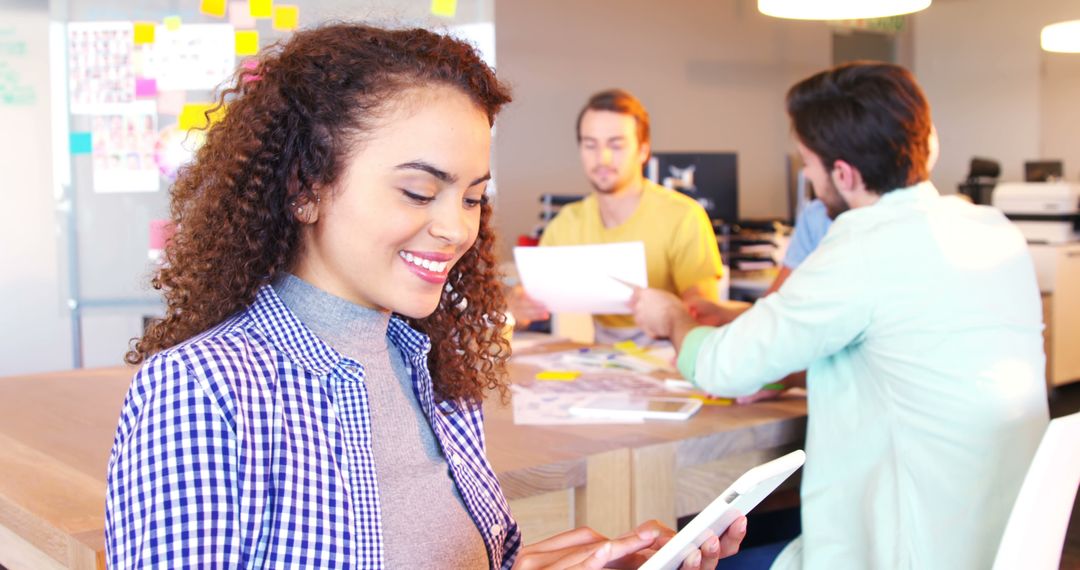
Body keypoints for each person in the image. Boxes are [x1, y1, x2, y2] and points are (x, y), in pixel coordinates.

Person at [104, 24, 745, 570]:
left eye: (472, 198)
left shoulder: (432, 370)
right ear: (305, 187)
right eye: (418, 192)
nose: (458, 229)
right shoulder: (199, 392)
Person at [630, 62, 1049, 569]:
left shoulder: (862, 244)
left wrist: (673, 316)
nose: (807, 176)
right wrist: (791, 376)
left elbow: (721, 366)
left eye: (808, 164)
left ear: (844, 173)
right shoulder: (993, 229)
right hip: (997, 542)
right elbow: (913, 354)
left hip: (904, 550)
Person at [511, 89, 723, 345]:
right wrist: (518, 306)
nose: (603, 158)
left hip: (671, 349)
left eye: (616, 145)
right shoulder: (567, 222)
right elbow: (526, 302)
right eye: (591, 145)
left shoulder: (683, 215)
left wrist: (674, 311)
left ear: (643, 151)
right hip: (604, 356)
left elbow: (705, 312)